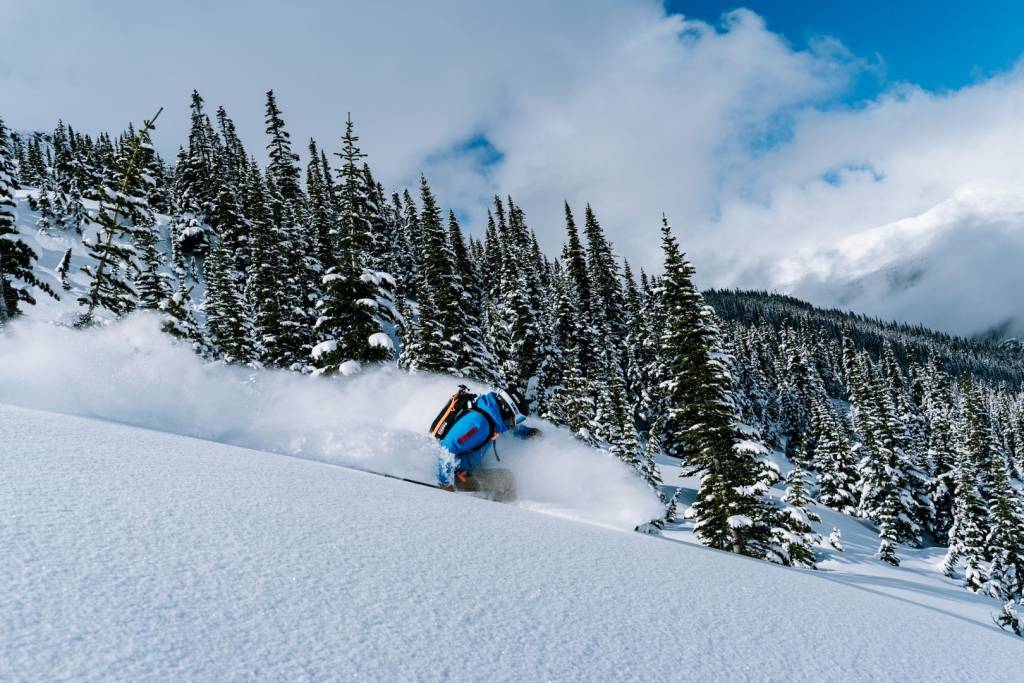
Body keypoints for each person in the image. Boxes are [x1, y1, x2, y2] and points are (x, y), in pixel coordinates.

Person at [431, 386, 539, 501]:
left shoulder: (491, 414)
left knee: (501, 476)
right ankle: (499, 513)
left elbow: (508, 425)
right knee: (508, 481)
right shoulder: (478, 424)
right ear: (506, 410)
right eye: (518, 420)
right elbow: (448, 448)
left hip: (468, 466)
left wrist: (526, 432)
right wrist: (445, 485)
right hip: (457, 475)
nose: (515, 424)